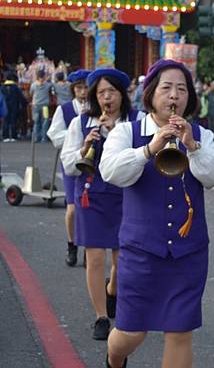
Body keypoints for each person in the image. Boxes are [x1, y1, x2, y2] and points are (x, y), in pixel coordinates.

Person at [99, 59, 214, 368]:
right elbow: (110, 171)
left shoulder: (200, 134)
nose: (174, 96)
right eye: (167, 88)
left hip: (189, 251)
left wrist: (193, 146)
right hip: (141, 250)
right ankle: (114, 358)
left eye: (182, 89)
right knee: (131, 334)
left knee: (180, 332)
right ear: (151, 94)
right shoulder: (126, 132)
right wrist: (148, 150)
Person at [61, 68, 144, 341]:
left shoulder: (136, 121)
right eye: (101, 92)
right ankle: (100, 316)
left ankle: (113, 290)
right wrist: (85, 145)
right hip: (92, 195)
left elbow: (144, 157)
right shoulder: (82, 122)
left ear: (122, 94)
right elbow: (69, 162)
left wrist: (116, 134)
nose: (107, 97)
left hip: (125, 196)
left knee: (122, 261)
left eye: (112, 91)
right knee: (95, 259)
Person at [47, 69, 90, 266]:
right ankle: (72, 244)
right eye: (79, 88)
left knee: (90, 208)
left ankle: (89, 248)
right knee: (72, 209)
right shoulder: (64, 110)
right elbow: (54, 135)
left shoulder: (96, 109)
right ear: (73, 90)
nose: (83, 92)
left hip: (92, 164)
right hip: (73, 161)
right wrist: (75, 135)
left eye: (86, 88)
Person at [1, 72, 27, 142]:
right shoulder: (15, 87)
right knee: (13, 121)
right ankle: (13, 136)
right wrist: (25, 103)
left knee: (5, 121)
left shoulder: (2, 87)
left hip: (4, 106)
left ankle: (5, 136)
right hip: (14, 106)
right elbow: (21, 97)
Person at [29, 69, 54, 142]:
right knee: (45, 121)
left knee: (36, 122)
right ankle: (44, 138)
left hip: (36, 105)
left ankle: (36, 138)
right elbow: (52, 91)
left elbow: (31, 93)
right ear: (44, 76)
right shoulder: (48, 85)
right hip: (45, 105)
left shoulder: (33, 85)